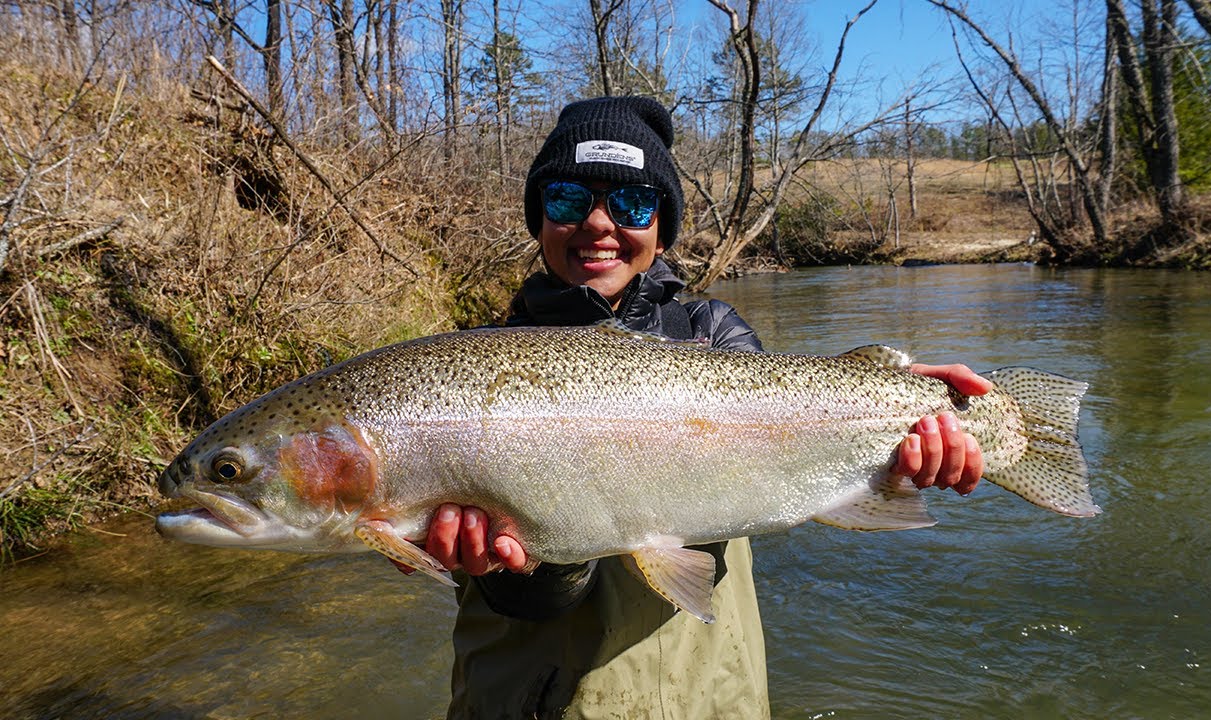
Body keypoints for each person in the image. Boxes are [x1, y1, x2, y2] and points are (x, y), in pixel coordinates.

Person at [404, 96, 991, 719]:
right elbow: (534, 605)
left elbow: (780, 460)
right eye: (569, 200)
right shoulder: (467, 378)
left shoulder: (712, 333)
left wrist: (907, 429)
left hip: (707, 698)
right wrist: (522, 564)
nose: (599, 225)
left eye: (631, 204)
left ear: (662, 224)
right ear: (540, 217)